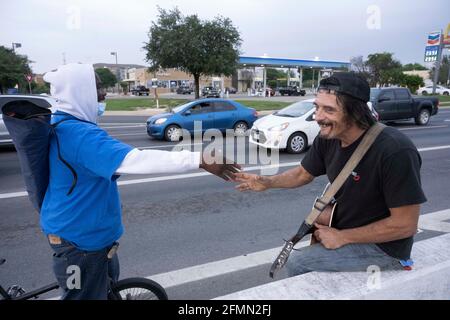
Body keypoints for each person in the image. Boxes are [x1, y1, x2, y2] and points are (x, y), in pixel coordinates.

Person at [41, 63, 240, 299]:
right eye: (97, 88)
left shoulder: (64, 125)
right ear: (79, 91)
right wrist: (201, 159)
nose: (103, 94)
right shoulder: (79, 135)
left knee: (101, 291)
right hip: (80, 246)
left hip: (84, 239)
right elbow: (135, 160)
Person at [234, 72, 427, 277]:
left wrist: (344, 237)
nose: (318, 117)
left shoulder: (394, 151)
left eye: (329, 110)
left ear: (355, 113)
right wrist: (267, 182)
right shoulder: (329, 136)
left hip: (384, 248)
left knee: (299, 262)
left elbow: (405, 225)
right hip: (343, 229)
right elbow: (302, 174)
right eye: (317, 107)